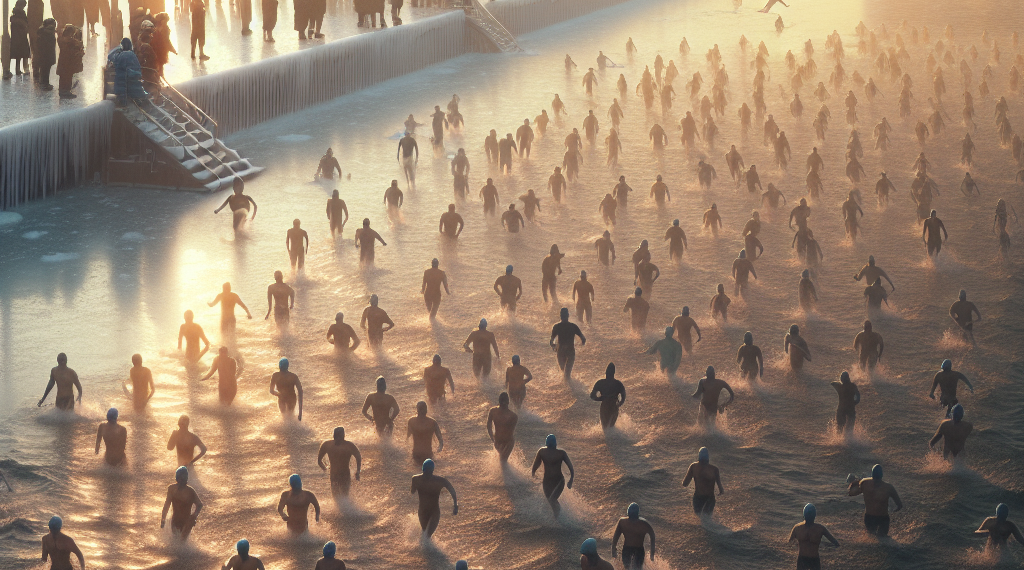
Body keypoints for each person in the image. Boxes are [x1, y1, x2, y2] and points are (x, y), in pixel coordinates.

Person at [847, 464, 902, 536]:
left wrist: (853, 483)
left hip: (870, 517)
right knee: (883, 539)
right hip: (883, 518)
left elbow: (851, 493)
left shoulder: (865, 483)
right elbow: (899, 505)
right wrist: (894, 510)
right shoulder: (888, 487)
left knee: (872, 538)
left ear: (872, 474)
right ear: (882, 475)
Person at [411, 458, 458, 537]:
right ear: (432, 470)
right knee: (425, 534)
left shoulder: (416, 479)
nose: (428, 474)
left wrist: (455, 505)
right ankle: (425, 548)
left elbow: (412, 491)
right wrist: (455, 505)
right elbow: (452, 490)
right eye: (428, 471)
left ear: (423, 469)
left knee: (427, 535)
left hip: (430, 512)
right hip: (428, 511)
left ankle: (426, 548)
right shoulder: (439, 480)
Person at [531, 434, 574, 517]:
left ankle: (559, 517)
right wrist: (533, 473)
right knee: (550, 500)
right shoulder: (542, 452)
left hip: (559, 481)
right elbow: (536, 463)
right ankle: (557, 517)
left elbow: (570, 466)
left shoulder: (560, 453)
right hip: (547, 481)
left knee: (552, 499)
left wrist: (571, 479)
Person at [788, 504, 839, 570]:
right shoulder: (819, 528)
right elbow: (835, 543)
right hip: (806, 559)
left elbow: (789, 543)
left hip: (811, 559)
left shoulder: (799, 528)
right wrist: (827, 546)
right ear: (814, 515)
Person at [161, 466, 204, 541]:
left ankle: (184, 551)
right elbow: (166, 505)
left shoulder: (190, 491)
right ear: (177, 478)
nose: (182, 480)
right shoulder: (171, 489)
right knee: (176, 541)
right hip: (175, 520)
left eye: (183, 478)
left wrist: (194, 515)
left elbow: (199, 505)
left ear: (186, 479)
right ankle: (179, 552)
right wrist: (163, 518)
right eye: (180, 478)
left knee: (182, 541)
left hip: (187, 521)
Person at [317, 427, 361, 496]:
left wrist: (358, 471)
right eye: (336, 437)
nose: (338, 439)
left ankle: (345, 506)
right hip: (334, 475)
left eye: (339, 437)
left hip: (345, 474)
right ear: (333, 436)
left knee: (345, 495)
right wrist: (325, 470)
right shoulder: (327, 445)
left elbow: (358, 457)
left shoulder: (349, 446)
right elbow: (319, 461)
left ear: (343, 437)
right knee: (336, 496)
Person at [612, 503, 656, 569]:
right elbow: (652, 536)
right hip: (630, 550)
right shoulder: (643, 523)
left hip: (635, 550)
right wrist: (652, 553)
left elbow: (652, 536)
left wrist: (652, 554)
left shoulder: (624, 522)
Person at [682, 447, 724, 515]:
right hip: (709, 499)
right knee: (707, 518)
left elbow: (685, 484)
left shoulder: (693, 467)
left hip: (698, 498)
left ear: (699, 456)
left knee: (699, 519)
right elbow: (721, 490)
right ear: (708, 457)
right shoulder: (714, 469)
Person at [551, 307, 586, 380]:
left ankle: (568, 389)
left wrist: (554, 346)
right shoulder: (573, 326)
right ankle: (571, 388)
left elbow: (551, 341)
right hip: (570, 351)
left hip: (561, 351)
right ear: (568, 315)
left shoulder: (557, 327)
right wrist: (581, 344)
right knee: (567, 375)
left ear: (560, 316)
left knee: (564, 373)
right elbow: (583, 338)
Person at [590, 363, 626, 428]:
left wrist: (619, 404)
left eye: (610, 372)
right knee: (608, 427)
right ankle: (611, 437)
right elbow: (592, 396)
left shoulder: (617, 384)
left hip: (612, 406)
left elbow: (623, 396)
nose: (608, 374)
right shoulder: (601, 383)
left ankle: (610, 437)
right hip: (608, 406)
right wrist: (600, 398)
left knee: (608, 427)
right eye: (608, 372)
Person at [487, 392, 519, 463]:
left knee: (503, 461)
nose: (504, 405)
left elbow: (510, 432)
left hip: (508, 442)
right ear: (508, 402)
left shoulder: (513, 416)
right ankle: (506, 473)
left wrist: (494, 439)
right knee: (502, 461)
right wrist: (493, 438)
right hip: (498, 440)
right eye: (503, 403)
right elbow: (488, 426)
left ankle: (507, 473)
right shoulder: (493, 411)